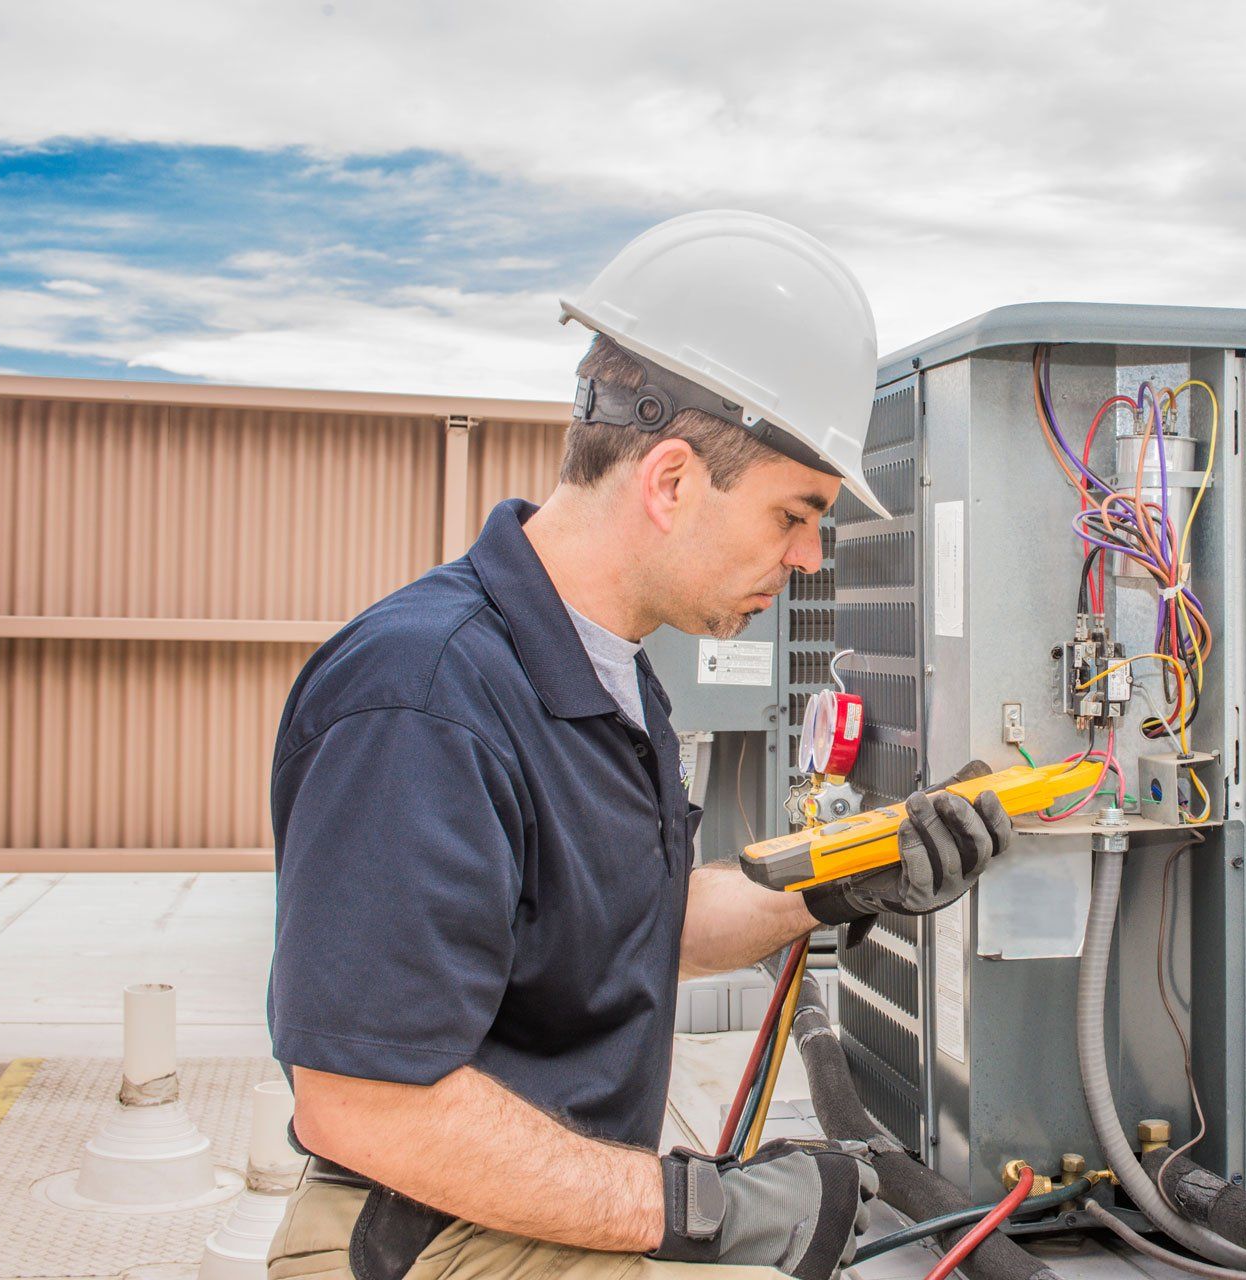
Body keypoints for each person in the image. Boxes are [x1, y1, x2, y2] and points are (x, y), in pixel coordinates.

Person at [265, 211, 1014, 1280]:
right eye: (794, 514)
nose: (809, 557)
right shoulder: (423, 698)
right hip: (428, 1231)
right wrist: (703, 1207)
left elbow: (639, 930)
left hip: (530, 1206)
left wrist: (859, 869)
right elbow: (361, 1102)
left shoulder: (607, 674)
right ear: (670, 481)